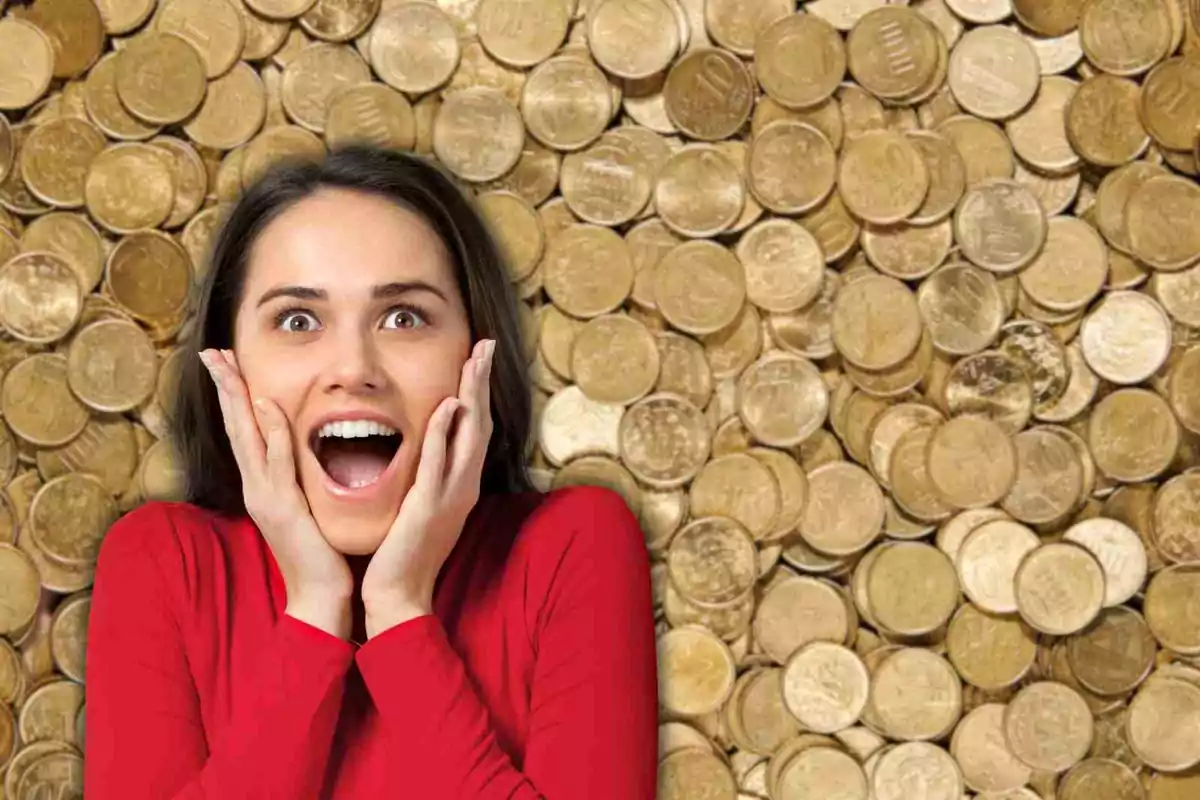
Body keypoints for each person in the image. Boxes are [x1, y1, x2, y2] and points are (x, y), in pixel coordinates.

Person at [82, 146, 659, 799]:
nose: (353, 367)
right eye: (298, 320)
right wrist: (313, 613)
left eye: (404, 317)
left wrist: (399, 612)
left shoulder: (572, 544)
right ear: (229, 365)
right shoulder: (162, 561)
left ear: (476, 354)